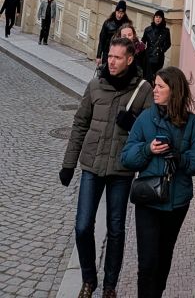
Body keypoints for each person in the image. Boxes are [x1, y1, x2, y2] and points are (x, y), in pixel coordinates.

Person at [58, 37, 153, 298]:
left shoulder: (143, 90)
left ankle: (110, 286)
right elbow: (79, 125)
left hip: (121, 170)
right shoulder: (95, 86)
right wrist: (68, 165)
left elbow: (151, 132)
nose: (111, 61)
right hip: (91, 165)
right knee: (83, 226)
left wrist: (133, 122)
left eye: (117, 57)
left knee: (116, 230)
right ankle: (89, 279)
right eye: (109, 56)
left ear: (130, 59)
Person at [122, 66, 195, 298]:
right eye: (155, 85)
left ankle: (156, 293)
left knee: (163, 258)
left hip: (177, 201)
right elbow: (127, 157)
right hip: (148, 200)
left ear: (174, 91)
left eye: (161, 86)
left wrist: (181, 158)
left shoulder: (191, 123)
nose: (155, 90)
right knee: (147, 262)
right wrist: (147, 149)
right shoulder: (145, 119)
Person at [96, 0, 130, 68]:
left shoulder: (127, 25)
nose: (119, 15)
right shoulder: (108, 23)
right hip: (107, 53)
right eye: (118, 12)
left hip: (120, 54)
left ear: (124, 13)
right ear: (115, 11)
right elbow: (102, 40)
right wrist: (99, 56)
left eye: (122, 13)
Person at [141, 10, 171, 83]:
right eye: (156, 17)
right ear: (154, 18)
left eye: (160, 17)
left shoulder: (166, 31)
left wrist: (161, 50)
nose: (158, 19)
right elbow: (143, 41)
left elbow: (168, 43)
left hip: (159, 58)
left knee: (157, 76)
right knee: (147, 77)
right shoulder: (148, 30)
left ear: (162, 19)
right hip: (148, 57)